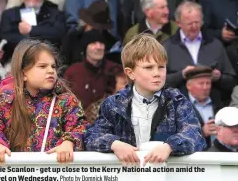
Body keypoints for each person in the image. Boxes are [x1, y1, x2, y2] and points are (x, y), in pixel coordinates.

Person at [85, 33, 206, 162]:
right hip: (125, 176)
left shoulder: (177, 101)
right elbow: (91, 136)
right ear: (130, 73)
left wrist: (169, 146)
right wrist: (114, 144)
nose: (156, 73)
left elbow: (195, 135)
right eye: (149, 68)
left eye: (161, 67)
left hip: (167, 177)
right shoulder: (113, 104)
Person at [0, 39, 86, 164]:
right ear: (23, 74)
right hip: (16, 177)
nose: (51, 71)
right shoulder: (3, 102)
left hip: (55, 176)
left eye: (53, 66)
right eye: (42, 66)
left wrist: (68, 142)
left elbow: (79, 127)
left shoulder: (66, 101)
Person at [163, 1, 236, 102]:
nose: (194, 26)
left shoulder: (215, 44)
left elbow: (232, 82)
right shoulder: (167, 47)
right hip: (178, 108)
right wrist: (182, 75)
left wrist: (219, 77)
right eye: (189, 23)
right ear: (178, 23)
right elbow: (157, 82)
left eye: (197, 22)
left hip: (212, 106)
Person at [0, 0, 66, 52]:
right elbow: (6, 39)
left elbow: (58, 34)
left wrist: (31, 30)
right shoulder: (9, 15)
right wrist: (41, 36)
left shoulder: (56, 13)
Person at [64, 30, 121, 110]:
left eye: (101, 43)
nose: (98, 47)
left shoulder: (115, 70)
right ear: (86, 47)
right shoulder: (73, 72)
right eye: (93, 43)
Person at [181, 66, 224, 150]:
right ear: (189, 86)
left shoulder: (218, 102)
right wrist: (202, 132)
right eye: (201, 83)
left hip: (220, 154)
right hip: (194, 157)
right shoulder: (180, 106)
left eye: (208, 83)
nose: (205, 87)